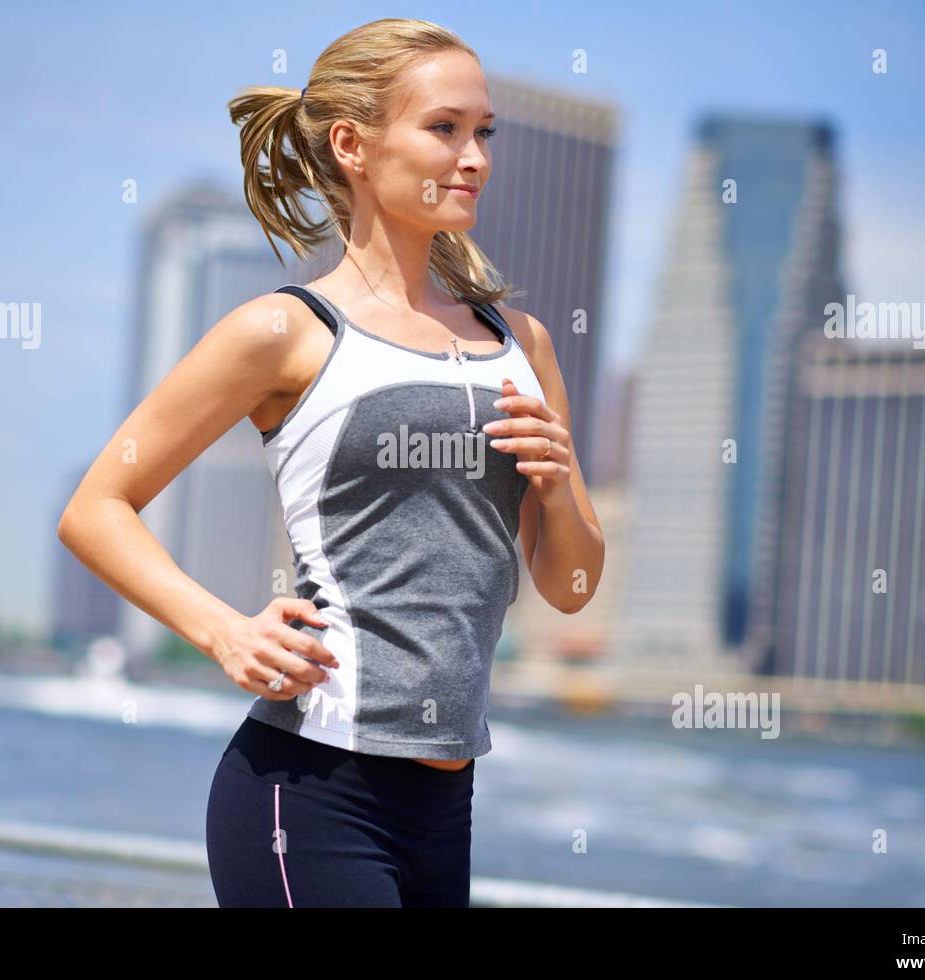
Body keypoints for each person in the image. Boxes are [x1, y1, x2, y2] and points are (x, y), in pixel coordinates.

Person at [56, 17, 604, 907]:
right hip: (305, 790)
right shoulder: (284, 331)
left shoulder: (524, 344)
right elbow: (96, 505)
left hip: (447, 802)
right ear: (352, 144)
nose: (475, 157)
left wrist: (557, 483)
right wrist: (223, 631)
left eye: (484, 133)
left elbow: (572, 585)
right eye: (444, 128)